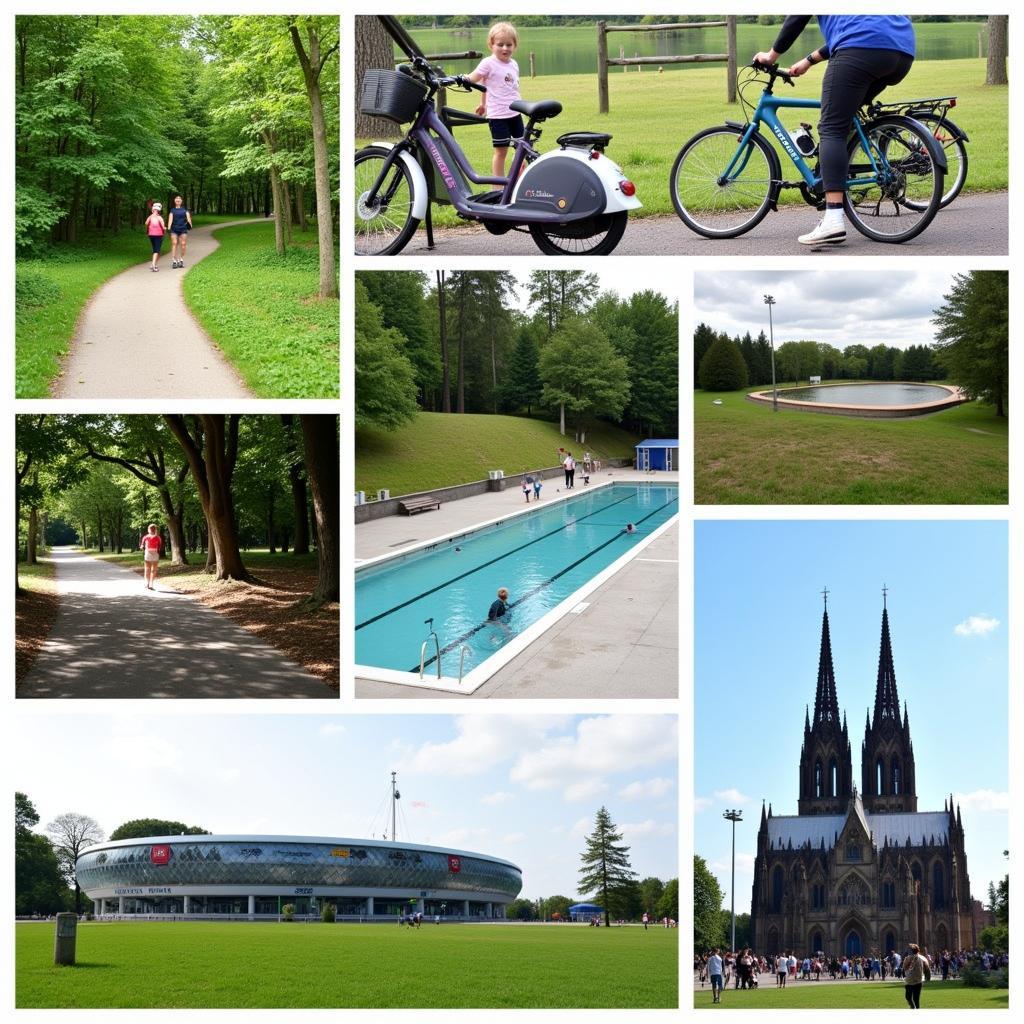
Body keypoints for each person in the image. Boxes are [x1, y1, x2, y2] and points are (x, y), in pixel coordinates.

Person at [753, 16, 915, 247]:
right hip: (901, 52)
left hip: (861, 48)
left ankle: (833, 219)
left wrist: (770, 56)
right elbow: (858, 27)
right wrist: (809, 60)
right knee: (845, 117)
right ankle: (839, 175)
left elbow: (798, 18)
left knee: (831, 129)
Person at [469, 22, 522, 178]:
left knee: (522, 149)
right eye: (500, 44)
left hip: (516, 113)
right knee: (501, 151)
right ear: (491, 45)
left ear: (515, 46)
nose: (505, 48)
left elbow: (507, 87)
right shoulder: (488, 63)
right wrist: (464, 79)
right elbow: (475, 79)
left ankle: (519, 182)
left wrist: (482, 103)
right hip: (498, 116)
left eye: (509, 44)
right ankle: (497, 186)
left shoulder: (514, 64)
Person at [166, 195, 193, 268]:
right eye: (176, 198)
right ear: (174, 201)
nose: (178, 199)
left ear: (181, 201)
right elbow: (170, 220)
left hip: (183, 229)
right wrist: (168, 228)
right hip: (174, 229)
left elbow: (189, 219)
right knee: (174, 243)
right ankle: (174, 261)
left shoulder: (185, 210)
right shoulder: (172, 210)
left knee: (183, 244)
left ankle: (180, 259)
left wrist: (190, 224)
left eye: (179, 198)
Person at [903, 943, 930, 1008]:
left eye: (909, 950)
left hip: (917, 981)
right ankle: (912, 1007)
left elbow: (927, 967)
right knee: (908, 997)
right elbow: (904, 968)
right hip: (909, 981)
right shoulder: (907, 958)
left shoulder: (921, 958)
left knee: (916, 999)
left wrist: (927, 977)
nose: (908, 951)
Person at [140, 523, 163, 589]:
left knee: (154, 570)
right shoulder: (146, 537)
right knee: (147, 569)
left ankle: (151, 584)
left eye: (153, 529)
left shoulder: (158, 537)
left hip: (155, 553)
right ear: (148, 530)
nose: (152, 530)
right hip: (148, 553)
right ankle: (147, 583)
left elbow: (160, 546)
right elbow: (142, 544)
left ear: (155, 529)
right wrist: (142, 546)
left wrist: (158, 553)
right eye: (151, 529)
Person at [145, 202, 166, 271]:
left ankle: (155, 264)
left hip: (151, 235)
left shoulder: (150, 217)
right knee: (156, 250)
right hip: (158, 235)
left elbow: (146, 223)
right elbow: (163, 227)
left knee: (156, 250)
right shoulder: (160, 218)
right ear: (159, 210)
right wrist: (165, 228)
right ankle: (153, 265)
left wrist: (151, 216)